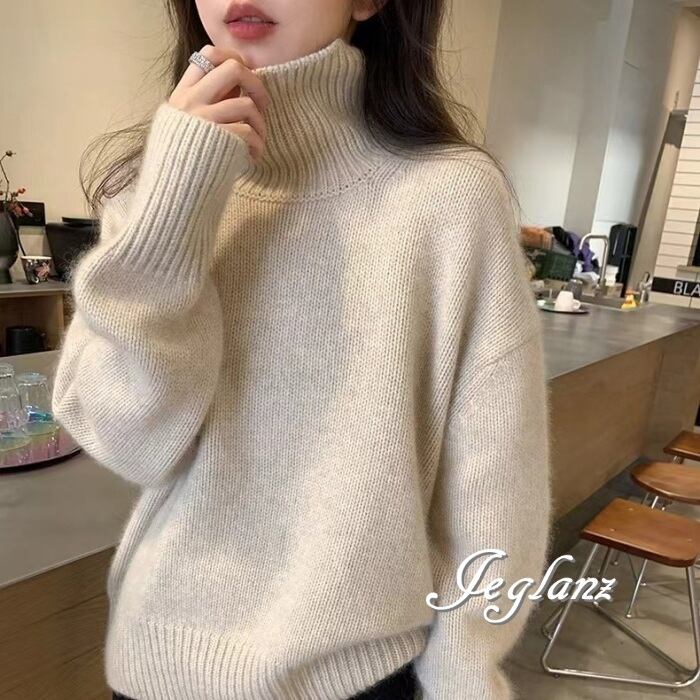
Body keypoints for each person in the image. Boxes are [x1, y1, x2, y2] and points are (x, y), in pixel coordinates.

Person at [51, 1, 552, 698]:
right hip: (157, 665)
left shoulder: (452, 197)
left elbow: (495, 481)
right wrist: (174, 206)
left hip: (362, 675)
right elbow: (130, 443)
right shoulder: (154, 188)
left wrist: (465, 673)